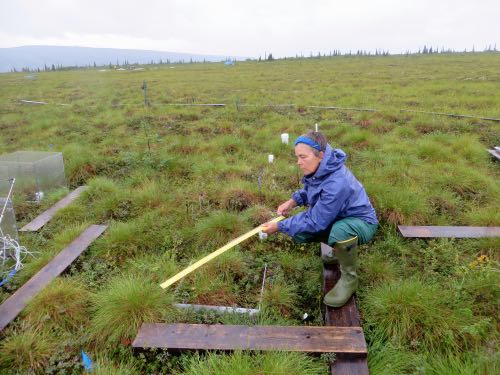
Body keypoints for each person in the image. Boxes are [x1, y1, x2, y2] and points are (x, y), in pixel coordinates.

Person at [261, 131, 378, 307]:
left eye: (303, 157)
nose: (298, 163)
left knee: (338, 232)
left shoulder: (337, 183)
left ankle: (349, 279)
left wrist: (280, 226)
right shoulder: (322, 168)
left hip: (362, 222)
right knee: (302, 233)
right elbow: (311, 189)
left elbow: (316, 221)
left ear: (320, 155)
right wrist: (292, 201)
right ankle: (339, 252)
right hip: (340, 216)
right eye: (297, 157)